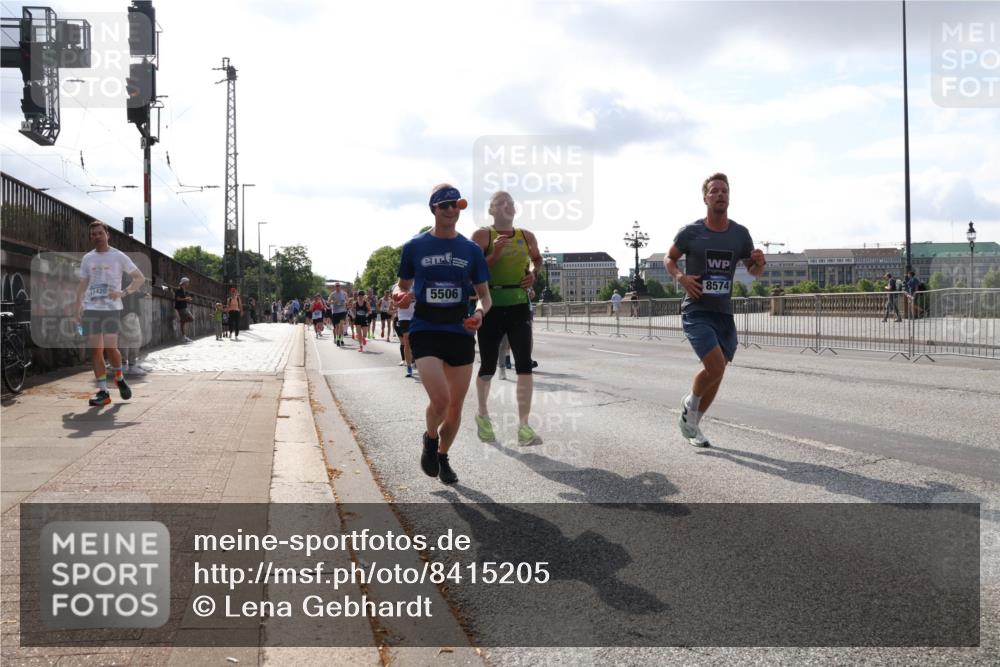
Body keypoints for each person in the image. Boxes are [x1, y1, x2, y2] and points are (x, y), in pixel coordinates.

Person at [394, 184, 491, 484]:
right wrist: (401, 296)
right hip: (426, 329)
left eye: (457, 205)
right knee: (440, 400)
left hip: (459, 331)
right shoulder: (415, 247)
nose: (452, 210)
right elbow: (401, 285)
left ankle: (443, 456)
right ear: (434, 209)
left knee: (455, 406)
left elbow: (486, 297)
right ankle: (429, 437)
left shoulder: (471, 250)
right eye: (445, 205)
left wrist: (478, 314)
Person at [665, 172, 766, 447]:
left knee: (718, 372)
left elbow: (754, 272)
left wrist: (760, 262)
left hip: (724, 313)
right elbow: (669, 258)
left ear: (729, 196)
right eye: (714, 191)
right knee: (715, 365)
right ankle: (690, 405)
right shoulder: (692, 232)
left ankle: (693, 424)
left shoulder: (740, 234)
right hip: (696, 310)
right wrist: (681, 279)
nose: (720, 194)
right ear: (705, 198)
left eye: (724, 190)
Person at [470, 191, 544, 446]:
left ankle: (524, 426)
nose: (507, 206)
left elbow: (537, 259)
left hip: (519, 306)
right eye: (500, 203)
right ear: (491, 211)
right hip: (490, 305)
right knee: (488, 366)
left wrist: (533, 274)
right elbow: (473, 269)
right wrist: (495, 255)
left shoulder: (527, 236)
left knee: (524, 364)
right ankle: (482, 414)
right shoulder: (482, 235)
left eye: (510, 202)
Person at [74, 221, 145, 407]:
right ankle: (103, 392)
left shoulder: (118, 256)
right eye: (93, 234)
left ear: (107, 234)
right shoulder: (88, 258)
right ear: (91, 237)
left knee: (111, 348)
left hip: (112, 309)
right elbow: (82, 284)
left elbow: (139, 278)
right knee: (96, 350)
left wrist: (123, 293)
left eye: (100, 233)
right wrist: (76, 307)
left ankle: (119, 377)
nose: (97, 236)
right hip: (91, 308)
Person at [394, 287, 415, 377]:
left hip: (417, 316)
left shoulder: (419, 283)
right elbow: (395, 304)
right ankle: (409, 366)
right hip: (404, 317)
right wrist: (406, 298)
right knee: (407, 340)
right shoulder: (397, 287)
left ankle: (413, 357)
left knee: (416, 341)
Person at [174, 276, 194, 342]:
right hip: (181, 308)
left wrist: (187, 299)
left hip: (184, 307)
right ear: (184, 283)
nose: (188, 283)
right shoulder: (179, 289)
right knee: (191, 318)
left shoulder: (183, 290)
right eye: (187, 282)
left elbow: (182, 299)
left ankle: (184, 336)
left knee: (188, 320)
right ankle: (184, 336)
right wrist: (186, 299)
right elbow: (177, 298)